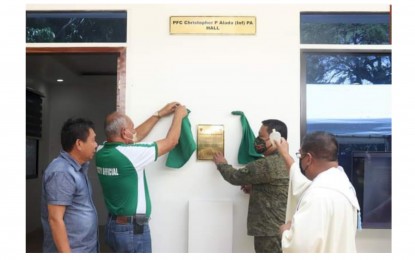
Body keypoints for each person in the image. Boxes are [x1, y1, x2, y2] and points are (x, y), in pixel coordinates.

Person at [95, 102, 187, 253]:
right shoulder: (130, 155)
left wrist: (158, 114)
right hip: (132, 230)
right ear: (124, 133)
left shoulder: (101, 151)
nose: (134, 132)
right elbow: (171, 142)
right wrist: (179, 115)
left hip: (113, 226)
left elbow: (135, 136)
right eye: (131, 129)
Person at [275, 131, 361, 252]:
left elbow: (299, 247)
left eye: (300, 157)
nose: (301, 161)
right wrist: (284, 154)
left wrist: (285, 232)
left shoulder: (317, 196)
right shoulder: (343, 185)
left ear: (308, 159)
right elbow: (301, 183)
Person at [212, 119, 289, 253]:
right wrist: (256, 189)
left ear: (275, 138)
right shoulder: (287, 161)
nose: (257, 140)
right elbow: (278, 187)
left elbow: (234, 177)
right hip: (280, 229)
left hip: (268, 232)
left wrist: (222, 164)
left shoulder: (266, 164)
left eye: (261, 136)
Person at [41, 118, 99, 253]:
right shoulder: (62, 172)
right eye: (93, 140)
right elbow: (55, 219)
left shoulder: (77, 169)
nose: (96, 145)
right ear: (79, 144)